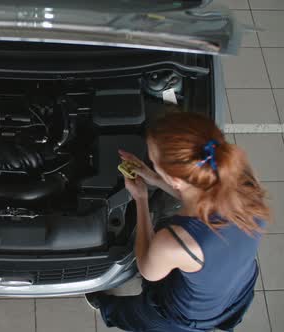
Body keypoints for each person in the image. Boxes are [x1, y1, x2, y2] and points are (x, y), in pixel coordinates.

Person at [86, 112, 270, 332]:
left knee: (138, 315)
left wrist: (141, 199)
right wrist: (155, 179)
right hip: (238, 285)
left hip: (188, 314)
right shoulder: (245, 181)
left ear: (174, 179)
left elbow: (148, 269)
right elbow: (201, 194)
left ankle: (107, 308)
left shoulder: (177, 241)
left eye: (153, 162)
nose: (151, 164)